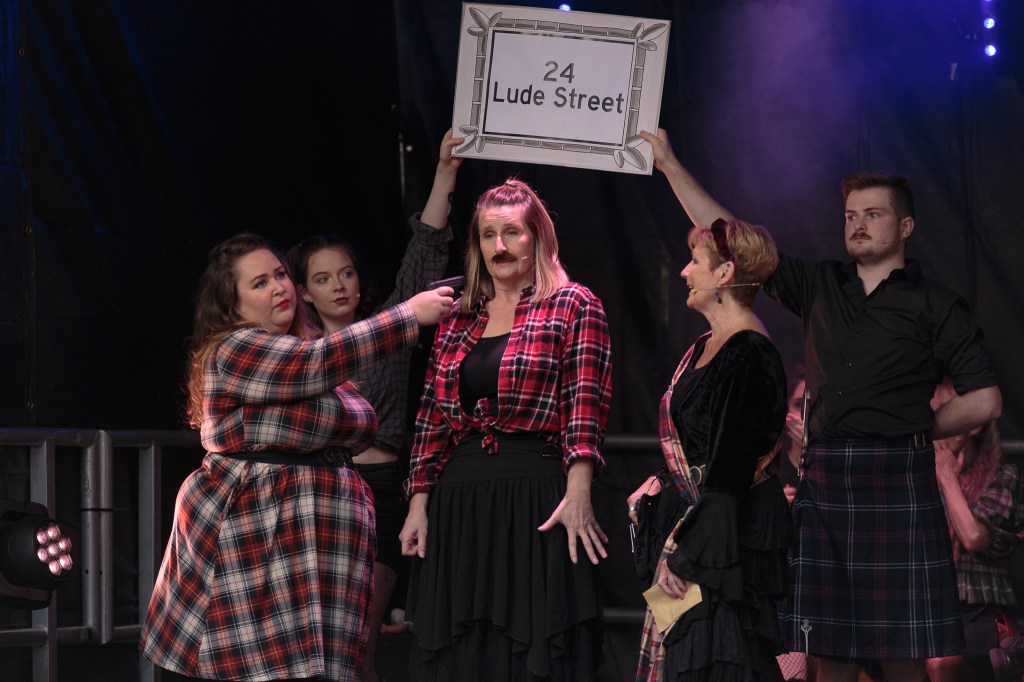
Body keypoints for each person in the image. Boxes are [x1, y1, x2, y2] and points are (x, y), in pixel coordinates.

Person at [638, 127, 1002, 682]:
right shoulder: (821, 284)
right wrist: (669, 165)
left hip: (898, 480)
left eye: (874, 214)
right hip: (827, 479)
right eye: (851, 215)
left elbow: (986, 400)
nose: (858, 224)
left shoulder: (937, 305)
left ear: (905, 227)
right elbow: (732, 239)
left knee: (903, 659)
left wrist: (915, 426)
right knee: (826, 656)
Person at [138, 232, 454, 681]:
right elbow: (313, 364)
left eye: (280, 275)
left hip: (318, 542)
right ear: (232, 305)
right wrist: (407, 316)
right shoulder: (235, 349)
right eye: (259, 283)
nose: (278, 287)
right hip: (257, 537)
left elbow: (336, 393)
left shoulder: (305, 353)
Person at [398, 177, 614, 680]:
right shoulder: (458, 317)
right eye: (488, 234)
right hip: (459, 502)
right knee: (460, 651)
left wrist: (579, 491)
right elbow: (431, 418)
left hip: (534, 494)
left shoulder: (574, 304)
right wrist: (418, 504)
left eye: (512, 232)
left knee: (535, 643)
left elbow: (585, 407)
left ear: (537, 236)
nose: (499, 246)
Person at [286, 129, 462, 682]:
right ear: (304, 292)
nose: (339, 285)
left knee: (358, 640)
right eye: (322, 279)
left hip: (380, 495)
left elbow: (424, 254)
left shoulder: (389, 329)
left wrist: (445, 171)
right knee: (320, 649)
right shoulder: (294, 355)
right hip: (318, 498)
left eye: (346, 273)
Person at [626, 218, 793, 680]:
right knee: (687, 656)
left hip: (723, 542)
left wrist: (687, 558)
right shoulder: (709, 345)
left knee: (716, 657)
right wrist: (660, 482)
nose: (684, 271)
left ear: (724, 273)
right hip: (702, 528)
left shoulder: (748, 352)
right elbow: (699, 448)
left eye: (694, 261)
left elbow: (728, 472)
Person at [928, 378, 1024, 682]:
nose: (934, 425)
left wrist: (947, 479)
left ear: (972, 425)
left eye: (945, 414)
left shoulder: (1002, 476)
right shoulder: (913, 475)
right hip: (924, 607)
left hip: (975, 612)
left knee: (943, 660)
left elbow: (974, 537)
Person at [777, 365, 806, 505]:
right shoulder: (772, 465)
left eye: (813, 405)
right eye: (799, 404)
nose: (805, 414)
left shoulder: (829, 463)